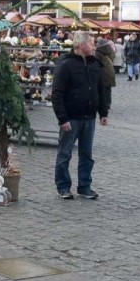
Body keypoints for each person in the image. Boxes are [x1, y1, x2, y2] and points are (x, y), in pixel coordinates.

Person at [52, 31, 109, 200]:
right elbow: (57, 94)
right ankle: (63, 187)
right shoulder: (66, 65)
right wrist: (63, 118)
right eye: (91, 43)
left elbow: (101, 89)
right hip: (71, 118)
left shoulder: (95, 64)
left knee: (87, 155)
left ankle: (84, 186)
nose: (94, 46)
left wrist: (103, 112)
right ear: (81, 45)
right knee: (65, 154)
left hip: (89, 117)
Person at [95, 36, 115, 111]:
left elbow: (96, 62)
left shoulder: (98, 51)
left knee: (101, 90)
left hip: (102, 72)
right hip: (110, 71)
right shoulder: (110, 50)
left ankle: (102, 105)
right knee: (108, 90)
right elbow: (113, 58)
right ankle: (108, 104)